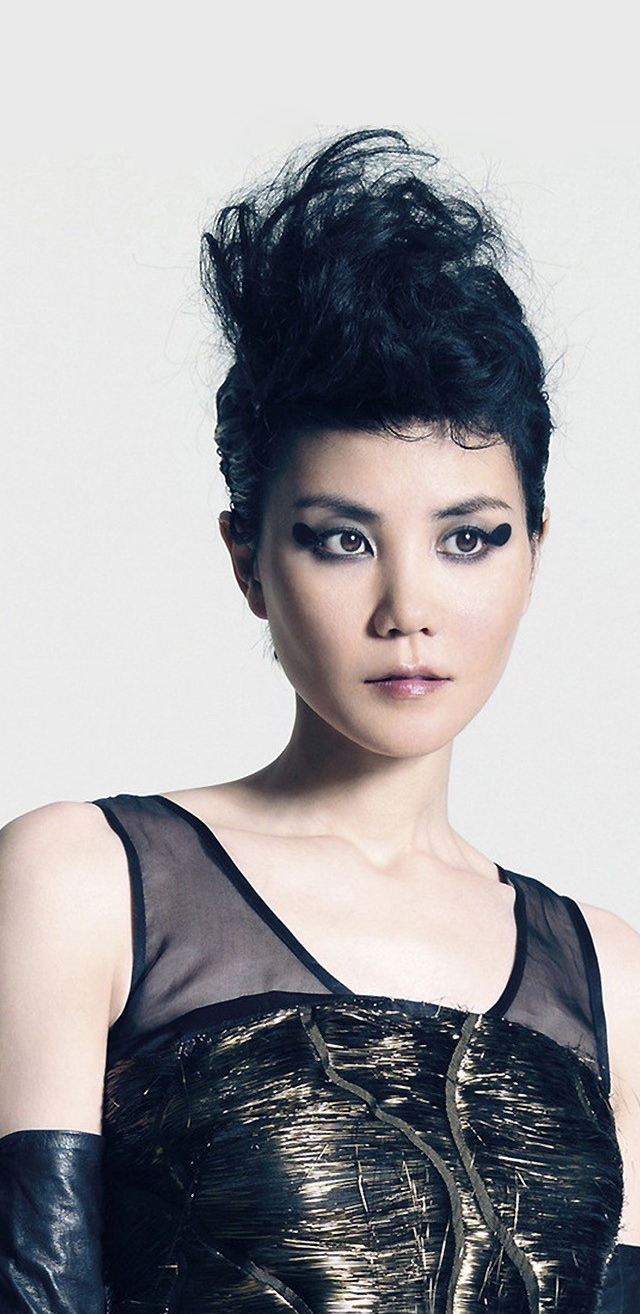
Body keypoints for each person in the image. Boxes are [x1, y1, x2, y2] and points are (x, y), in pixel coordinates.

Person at [0, 129, 637, 1313]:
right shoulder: (86, 881)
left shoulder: (609, 975)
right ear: (247, 559)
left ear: (534, 553)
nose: (407, 608)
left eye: (468, 538)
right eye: (341, 539)